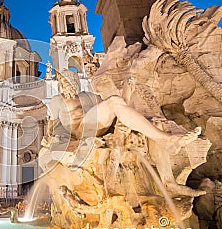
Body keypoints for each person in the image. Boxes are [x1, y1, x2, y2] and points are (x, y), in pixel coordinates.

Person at [44, 69, 203, 197]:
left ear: (75, 82)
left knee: (154, 122)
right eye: (62, 81)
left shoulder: (88, 96)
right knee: (114, 100)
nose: (65, 85)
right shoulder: (57, 100)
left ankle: (169, 181)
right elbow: (55, 126)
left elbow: (117, 110)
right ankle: (167, 140)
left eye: (68, 81)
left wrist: (126, 100)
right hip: (80, 129)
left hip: (97, 125)